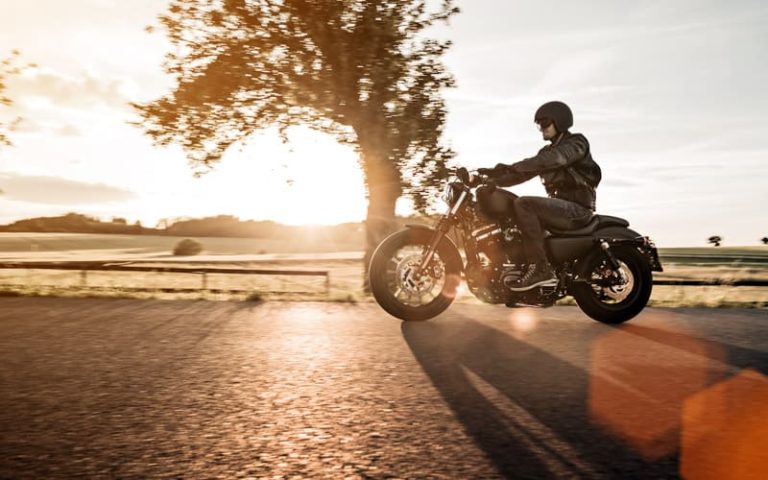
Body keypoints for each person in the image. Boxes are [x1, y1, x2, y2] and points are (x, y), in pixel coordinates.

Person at [477, 101, 602, 291]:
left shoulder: (577, 143)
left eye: (544, 124)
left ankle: (541, 268)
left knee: (524, 204)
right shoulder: (546, 152)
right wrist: (493, 177)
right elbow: (522, 174)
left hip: (577, 210)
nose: (541, 129)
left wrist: (512, 166)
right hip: (559, 209)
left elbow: (554, 159)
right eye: (539, 125)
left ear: (559, 122)